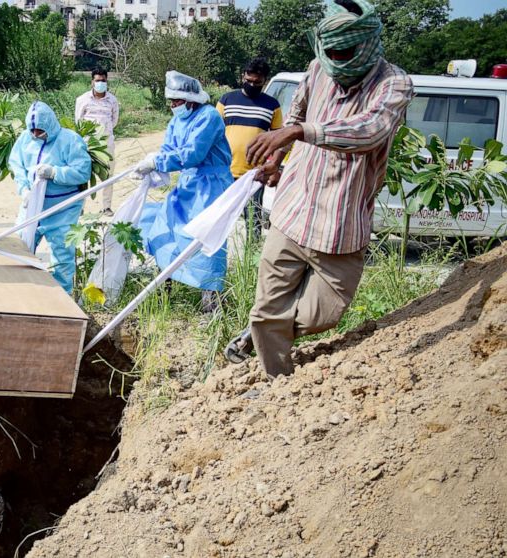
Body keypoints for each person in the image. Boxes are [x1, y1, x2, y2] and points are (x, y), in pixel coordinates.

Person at [224, 0, 412, 377]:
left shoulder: (394, 84)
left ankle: (266, 334)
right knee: (266, 311)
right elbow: (295, 115)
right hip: (293, 212)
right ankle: (277, 382)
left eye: (345, 55)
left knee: (323, 315)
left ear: (367, 44)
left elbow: (369, 130)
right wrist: (277, 158)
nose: (337, 63)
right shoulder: (317, 69)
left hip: (342, 225)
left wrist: (301, 132)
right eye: (330, 54)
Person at [134, 71, 233, 314]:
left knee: (206, 240)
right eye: (171, 102)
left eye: (176, 102)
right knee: (166, 228)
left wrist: (159, 162)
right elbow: (169, 148)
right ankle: (164, 290)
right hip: (189, 183)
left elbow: (193, 154)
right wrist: (153, 163)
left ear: (191, 100)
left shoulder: (209, 117)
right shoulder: (176, 120)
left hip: (212, 185)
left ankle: (211, 304)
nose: (173, 107)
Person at [8, 101, 92, 294]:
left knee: (62, 255)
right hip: (32, 206)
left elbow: (82, 172)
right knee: (19, 247)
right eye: (33, 131)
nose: (36, 135)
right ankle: (21, 292)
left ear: (50, 125)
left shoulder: (70, 140)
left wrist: (55, 172)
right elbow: (17, 165)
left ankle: (63, 297)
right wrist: (24, 190)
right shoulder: (24, 139)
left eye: (40, 131)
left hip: (62, 208)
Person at [216, 57, 283, 239]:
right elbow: (212, 134)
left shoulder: (272, 105)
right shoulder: (226, 100)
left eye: (257, 82)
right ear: (242, 76)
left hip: (254, 174)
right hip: (224, 171)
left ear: (264, 82)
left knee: (253, 221)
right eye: (249, 80)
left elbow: (279, 140)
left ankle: (250, 257)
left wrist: (275, 167)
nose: (252, 85)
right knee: (218, 218)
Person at [74, 67, 120, 214]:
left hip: (107, 144)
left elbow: (114, 121)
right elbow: (78, 121)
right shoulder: (82, 100)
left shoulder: (112, 100)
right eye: (98, 80)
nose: (100, 83)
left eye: (103, 80)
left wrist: (104, 132)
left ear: (107, 81)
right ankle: (80, 208)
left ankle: (106, 207)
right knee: (84, 175)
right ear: (92, 82)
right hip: (87, 145)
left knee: (108, 175)